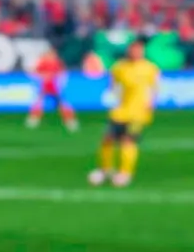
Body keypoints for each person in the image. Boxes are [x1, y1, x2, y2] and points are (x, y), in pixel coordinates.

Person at [88, 38, 161, 188]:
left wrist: (150, 103)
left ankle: (125, 173)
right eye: (133, 49)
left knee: (128, 140)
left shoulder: (150, 68)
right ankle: (106, 170)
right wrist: (113, 99)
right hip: (120, 111)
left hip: (139, 113)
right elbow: (113, 87)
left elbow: (155, 88)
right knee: (107, 139)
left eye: (139, 49)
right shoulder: (119, 67)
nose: (136, 52)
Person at [26, 47, 79, 132]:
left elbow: (63, 73)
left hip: (55, 88)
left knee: (63, 104)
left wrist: (58, 81)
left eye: (53, 54)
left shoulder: (57, 63)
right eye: (50, 54)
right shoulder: (43, 62)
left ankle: (69, 121)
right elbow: (35, 73)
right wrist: (43, 76)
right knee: (38, 103)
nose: (51, 56)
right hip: (44, 87)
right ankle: (33, 119)